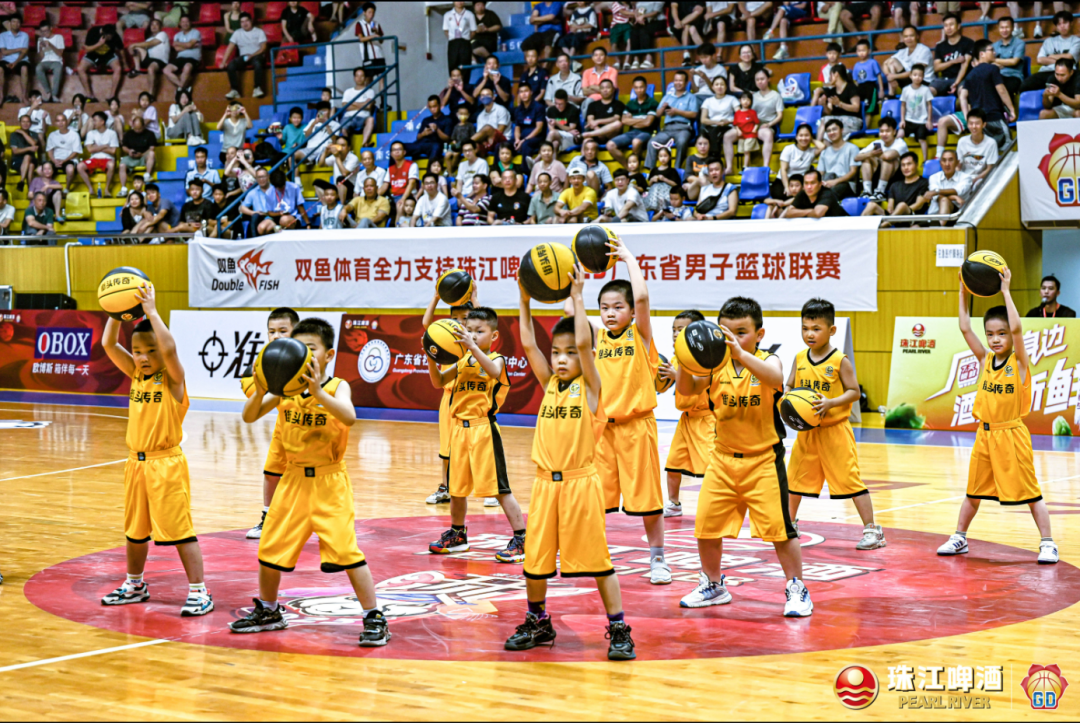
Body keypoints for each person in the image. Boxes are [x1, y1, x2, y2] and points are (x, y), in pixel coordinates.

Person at [232, 318, 391, 645]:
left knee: (346, 552)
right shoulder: (285, 390)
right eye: (299, 348)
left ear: (328, 355)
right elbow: (249, 416)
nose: (304, 355)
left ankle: (374, 616)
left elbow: (349, 416)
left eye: (311, 349)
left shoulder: (336, 387)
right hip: (292, 480)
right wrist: (261, 389)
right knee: (269, 549)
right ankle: (269, 610)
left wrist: (318, 392)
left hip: (328, 482)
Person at [511, 265, 635, 659]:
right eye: (556, 353)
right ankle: (538, 621)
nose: (561, 359)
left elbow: (585, 344)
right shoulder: (550, 383)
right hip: (544, 485)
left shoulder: (593, 387)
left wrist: (579, 298)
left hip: (581, 484)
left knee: (598, 562)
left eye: (569, 353)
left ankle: (619, 628)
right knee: (535, 562)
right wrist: (524, 300)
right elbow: (528, 343)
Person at [675, 297, 812, 616]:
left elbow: (775, 379)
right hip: (722, 459)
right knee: (706, 527)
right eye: (727, 332)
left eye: (742, 332)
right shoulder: (714, 366)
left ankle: (797, 588)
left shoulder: (768, 359)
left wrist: (739, 353)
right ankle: (713, 584)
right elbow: (687, 389)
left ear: (759, 334)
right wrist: (685, 359)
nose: (733, 339)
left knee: (781, 531)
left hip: (763, 461)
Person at [98, 288, 215, 617]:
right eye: (138, 351)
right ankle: (135, 584)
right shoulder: (136, 375)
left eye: (151, 351)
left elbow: (170, 349)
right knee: (135, 532)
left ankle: (199, 591)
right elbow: (109, 344)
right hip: (135, 464)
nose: (143, 357)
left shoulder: (173, 380)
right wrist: (115, 313)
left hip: (166, 465)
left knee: (180, 531)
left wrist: (151, 312)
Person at [937, 274, 1058, 564]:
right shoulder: (984, 360)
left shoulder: (1019, 363)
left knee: (1031, 493)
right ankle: (960, 537)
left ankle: (1048, 543)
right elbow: (965, 327)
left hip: (1012, 435)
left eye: (1001, 334)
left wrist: (1005, 290)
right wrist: (963, 291)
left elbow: (1017, 327)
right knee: (973, 492)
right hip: (985, 435)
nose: (995, 339)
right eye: (990, 334)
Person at [426, 305, 529, 562]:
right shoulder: (461, 361)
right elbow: (438, 382)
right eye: (468, 330)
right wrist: (431, 355)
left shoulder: (497, 359)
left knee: (499, 489)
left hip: (484, 430)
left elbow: (493, 372)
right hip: (459, 430)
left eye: (479, 331)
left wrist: (472, 347)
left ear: (494, 336)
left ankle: (522, 538)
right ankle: (458, 535)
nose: (472, 335)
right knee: (456, 488)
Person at [786, 298, 884, 548]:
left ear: (831, 330)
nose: (809, 334)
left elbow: (854, 392)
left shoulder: (840, 360)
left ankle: (872, 530)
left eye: (816, 329)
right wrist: (787, 399)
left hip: (835, 432)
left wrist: (831, 403)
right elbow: (789, 385)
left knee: (850, 481)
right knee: (793, 480)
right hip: (807, 433)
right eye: (805, 328)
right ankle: (788, 524)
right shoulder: (800, 358)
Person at [420, 293, 477, 505]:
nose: (460, 322)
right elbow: (427, 325)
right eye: (456, 318)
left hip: (470, 398)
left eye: (465, 318)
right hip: (449, 397)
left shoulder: (475, 340)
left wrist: (475, 297)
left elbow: (485, 320)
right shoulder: (445, 336)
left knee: (477, 447)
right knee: (446, 447)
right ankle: (445, 487)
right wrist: (436, 298)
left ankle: (491, 490)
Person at [658, 311, 712, 516]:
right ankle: (674, 503)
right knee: (673, 464)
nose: (675, 334)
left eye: (681, 330)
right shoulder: (676, 358)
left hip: (707, 419)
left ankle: (715, 503)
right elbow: (666, 385)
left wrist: (676, 375)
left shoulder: (707, 357)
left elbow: (696, 383)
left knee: (711, 467)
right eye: (674, 330)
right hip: (686, 420)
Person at [645, 70, 701, 169]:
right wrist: (663, 107)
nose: (678, 83)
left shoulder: (691, 97)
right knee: (652, 142)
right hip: (667, 129)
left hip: (683, 128)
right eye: (676, 80)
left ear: (686, 82)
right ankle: (651, 170)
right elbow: (657, 114)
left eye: (680, 80)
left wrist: (676, 111)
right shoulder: (667, 97)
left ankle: (676, 169)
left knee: (682, 142)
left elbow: (694, 114)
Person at [1022, 11, 1080, 93]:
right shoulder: (1048, 41)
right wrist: (1062, 62)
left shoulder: (1076, 41)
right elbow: (1040, 60)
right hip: (1046, 71)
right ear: (1056, 26)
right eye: (1059, 24)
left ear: (1071, 23)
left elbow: (1069, 56)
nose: (1062, 26)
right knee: (1024, 85)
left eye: (1065, 23)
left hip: (1066, 74)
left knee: (1053, 81)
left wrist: (1050, 56)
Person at [607, 76, 659, 166]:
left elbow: (648, 123)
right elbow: (624, 120)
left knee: (636, 142)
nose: (639, 90)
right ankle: (628, 168)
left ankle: (636, 168)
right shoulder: (630, 103)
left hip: (647, 132)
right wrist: (642, 120)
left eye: (641, 87)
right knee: (610, 145)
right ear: (633, 88)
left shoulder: (652, 102)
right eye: (636, 88)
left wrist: (632, 120)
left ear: (646, 87)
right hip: (631, 132)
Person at [863, 151, 929, 219]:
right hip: (894, 216)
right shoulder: (895, 185)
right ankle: (858, 226)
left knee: (902, 205)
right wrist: (892, 211)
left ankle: (884, 224)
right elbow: (890, 207)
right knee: (871, 205)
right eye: (903, 165)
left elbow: (918, 205)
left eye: (909, 164)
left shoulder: (924, 182)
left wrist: (901, 210)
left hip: (912, 217)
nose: (906, 167)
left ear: (916, 165)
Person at [855, 116, 907, 202]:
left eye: (887, 131)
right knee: (866, 159)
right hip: (878, 177)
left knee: (887, 160)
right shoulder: (877, 142)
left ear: (894, 132)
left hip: (896, 179)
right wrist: (870, 154)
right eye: (882, 131)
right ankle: (867, 191)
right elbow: (856, 157)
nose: (884, 134)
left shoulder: (900, 143)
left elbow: (887, 156)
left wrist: (873, 154)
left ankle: (880, 192)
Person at [222, 13, 268, 99]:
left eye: (247, 21)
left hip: (257, 55)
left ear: (251, 21)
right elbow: (230, 48)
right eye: (242, 22)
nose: (245, 23)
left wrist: (252, 55)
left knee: (258, 63)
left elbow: (263, 48)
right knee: (231, 65)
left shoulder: (259, 32)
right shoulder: (237, 33)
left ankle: (257, 88)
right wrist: (223, 62)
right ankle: (234, 90)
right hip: (244, 57)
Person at [78, 24, 126, 103]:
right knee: (80, 69)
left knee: (118, 68)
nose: (111, 38)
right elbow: (87, 49)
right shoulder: (93, 32)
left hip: (108, 55)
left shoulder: (114, 35)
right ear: (103, 34)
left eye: (112, 35)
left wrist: (124, 62)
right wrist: (99, 44)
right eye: (109, 36)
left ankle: (112, 96)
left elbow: (121, 49)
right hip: (93, 54)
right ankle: (90, 96)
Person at [814, 119, 859, 201]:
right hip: (828, 182)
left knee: (830, 192)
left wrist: (835, 181)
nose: (831, 132)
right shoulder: (824, 152)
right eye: (828, 131)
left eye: (834, 129)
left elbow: (853, 172)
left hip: (846, 184)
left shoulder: (852, 148)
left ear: (842, 130)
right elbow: (820, 173)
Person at [955, 109, 999, 191]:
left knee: (979, 187)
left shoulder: (991, 143)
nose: (974, 126)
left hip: (981, 179)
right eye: (971, 123)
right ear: (967, 124)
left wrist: (975, 179)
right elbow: (958, 166)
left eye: (977, 123)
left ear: (984, 124)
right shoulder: (962, 141)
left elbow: (990, 168)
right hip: (964, 178)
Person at [885, 26, 935, 97]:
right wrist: (890, 78)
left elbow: (917, 71)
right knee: (891, 62)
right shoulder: (903, 51)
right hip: (910, 80)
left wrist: (894, 76)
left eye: (911, 36)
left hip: (923, 82)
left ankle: (891, 95)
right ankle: (891, 94)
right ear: (903, 38)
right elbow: (885, 64)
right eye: (906, 36)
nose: (908, 39)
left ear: (917, 36)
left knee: (893, 65)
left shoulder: (924, 50)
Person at [931, 13, 974, 97]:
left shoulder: (968, 43)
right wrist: (954, 61)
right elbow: (936, 68)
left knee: (963, 92)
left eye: (951, 25)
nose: (948, 28)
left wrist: (956, 83)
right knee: (928, 92)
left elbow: (964, 65)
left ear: (958, 26)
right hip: (944, 79)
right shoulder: (940, 46)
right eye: (946, 25)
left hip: (963, 79)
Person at [78, 111, 119, 198]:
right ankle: (90, 189)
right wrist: (104, 146)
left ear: (102, 122)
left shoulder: (112, 133)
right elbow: (90, 150)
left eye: (95, 120)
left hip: (107, 158)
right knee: (79, 166)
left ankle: (107, 190)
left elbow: (113, 151)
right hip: (94, 158)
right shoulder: (91, 133)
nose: (93, 123)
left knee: (112, 165)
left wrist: (96, 147)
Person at [815, 65, 862, 142]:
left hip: (851, 120)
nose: (829, 78)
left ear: (836, 74)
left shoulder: (851, 88)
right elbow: (829, 111)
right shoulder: (832, 91)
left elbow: (856, 108)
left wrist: (840, 104)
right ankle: (818, 144)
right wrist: (823, 104)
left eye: (830, 75)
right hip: (836, 121)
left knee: (831, 134)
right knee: (823, 121)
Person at [923, 149, 971, 222]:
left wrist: (936, 192)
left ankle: (939, 228)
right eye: (944, 160)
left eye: (951, 160)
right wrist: (954, 197)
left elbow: (958, 191)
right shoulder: (933, 177)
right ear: (940, 163)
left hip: (957, 218)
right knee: (914, 227)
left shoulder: (966, 177)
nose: (947, 164)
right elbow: (936, 196)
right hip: (934, 217)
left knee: (944, 200)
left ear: (957, 162)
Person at [898, 64, 933, 160]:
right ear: (910, 75)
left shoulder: (926, 89)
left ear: (923, 77)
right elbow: (903, 105)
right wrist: (902, 120)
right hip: (908, 120)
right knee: (899, 135)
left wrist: (929, 120)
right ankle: (899, 159)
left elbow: (929, 105)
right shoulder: (905, 89)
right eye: (915, 75)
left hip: (922, 121)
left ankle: (925, 160)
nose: (917, 77)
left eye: (920, 75)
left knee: (922, 139)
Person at [129, 17, 170, 99]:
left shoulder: (163, 34)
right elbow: (143, 47)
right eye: (152, 25)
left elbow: (151, 43)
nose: (154, 26)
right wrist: (132, 49)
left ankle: (151, 95)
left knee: (151, 68)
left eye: (156, 24)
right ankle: (137, 69)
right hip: (149, 59)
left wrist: (133, 45)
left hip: (160, 60)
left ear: (160, 27)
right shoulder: (148, 39)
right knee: (136, 48)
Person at [700, 76, 738, 161]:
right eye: (716, 84)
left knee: (716, 133)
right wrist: (717, 122)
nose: (719, 87)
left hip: (727, 126)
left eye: (722, 84)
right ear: (712, 87)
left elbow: (740, 116)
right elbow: (703, 119)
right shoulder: (708, 101)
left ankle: (714, 159)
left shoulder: (732, 99)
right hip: (712, 126)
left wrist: (728, 121)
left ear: (726, 87)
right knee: (707, 132)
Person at [783, 168, 848, 218]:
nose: (809, 187)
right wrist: (810, 211)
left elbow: (818, 213)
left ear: (820, 184)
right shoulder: (802, 193)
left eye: (812, 183)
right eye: (806, 183)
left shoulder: (827, 193)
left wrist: (799, 213)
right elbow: (788, 213)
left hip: (841, 226)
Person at [119, 116, 157, 196]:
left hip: (144, 157)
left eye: (139, 129)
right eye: (135, 128)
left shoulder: (150, 134)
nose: (137, 131)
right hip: (131, 157)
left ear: (143, 126)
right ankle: (123, 189)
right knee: (122, 165)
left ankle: (147, 175)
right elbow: (124, 147)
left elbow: (152, 148)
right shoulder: (128, 134)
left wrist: (142, 154)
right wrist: (129, 151)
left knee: (151, 153)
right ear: (133, 126)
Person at [581, 79, 625, 145]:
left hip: (611, 135)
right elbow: (590, 120)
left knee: (618, 124)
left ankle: (592, 134)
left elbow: (616, 118)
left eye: (608, 87)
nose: (605, 90)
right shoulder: (592, 105)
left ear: (613, 89)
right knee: (586, 142)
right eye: (602, 88)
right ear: (600, 90)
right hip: (595, 133)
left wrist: (598, 121)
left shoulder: (619, 104)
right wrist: (599, 132)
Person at [164, 14, 201, 91]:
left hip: (193, 58)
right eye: (183, 22)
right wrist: (190, 46)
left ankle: (180, 89)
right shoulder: (177, 35)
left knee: (187, 67)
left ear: (190, 22)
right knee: (166, 70)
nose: (185, 23)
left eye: (187, 21)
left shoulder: (196, 32)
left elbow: (189, 44)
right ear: (180, 23)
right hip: (180, 58)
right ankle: (181, 86)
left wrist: (179, 43)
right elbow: (177, 49)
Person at [48, 114, 83, 193]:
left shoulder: (74, 134)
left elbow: (76, 152)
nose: (61, 123)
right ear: (55, 123)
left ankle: (66, 189)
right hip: (56, 159)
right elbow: (50, 151)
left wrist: (64, 160)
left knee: (70, 169)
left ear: (67, 122)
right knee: (40, 170)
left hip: (69, 159)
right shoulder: (52, 135)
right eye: (58, 121)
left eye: (63, 120)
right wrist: (54, 161)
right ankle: (48, 188)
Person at [992, 15, 1026, 97]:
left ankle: (1008, 106)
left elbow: (1014, 62)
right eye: (1002, 27)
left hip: (1013, 76)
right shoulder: (994, 45)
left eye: (1007, 27)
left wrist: (994, 60)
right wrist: (997, 62)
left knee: (1003, 89)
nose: (1004, 30)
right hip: (997, 76)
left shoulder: (1019, 43)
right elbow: (988, 62)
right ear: (998, 28)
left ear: (1013, 28)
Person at [777, 123, 816, 192]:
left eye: (807, 135)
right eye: (801, 135)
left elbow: (822, 146)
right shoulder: (788, 149)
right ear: (796, 137)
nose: (803, 138)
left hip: (801, 182)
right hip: (784, 180)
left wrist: (811, 139)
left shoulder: (812, 151)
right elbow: (783, 170)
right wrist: (787, 187)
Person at [0, 13, 29, 105]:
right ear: (9, 23)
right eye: (13, 21)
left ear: (20, 24)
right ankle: (0, 95)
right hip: (7, 59)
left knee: (24, 68)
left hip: (21, 60)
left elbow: (24, 52)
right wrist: (19, 49)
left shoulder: (25, 35)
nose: (16, 24)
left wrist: (15, 63)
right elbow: (4, 52)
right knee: (0, 69)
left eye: (18, 22)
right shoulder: (2, 35)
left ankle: (24, 96)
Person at [472, 87, 510, 155]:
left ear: (493, 97)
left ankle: (465, 143)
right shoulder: (480, 116)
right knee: (474, 147)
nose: (485, 97)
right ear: (480, 99)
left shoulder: (501, 110)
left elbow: (500, 131)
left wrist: (488, 134)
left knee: (487, 128)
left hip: (502, 140)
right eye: (483, 95)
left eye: (488, 95)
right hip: (487, 142)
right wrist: (484, 142)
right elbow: (480, 134)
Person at [34, 20, 65, 104]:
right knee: (38, 68)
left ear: (51, 28)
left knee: (58, 68)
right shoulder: (40, 40)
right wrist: (40, 48)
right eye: (42, 31)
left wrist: (50, 45)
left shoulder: (59, 37)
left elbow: (60, 54)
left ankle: (54, 95)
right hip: (45, 61)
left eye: (46, 31)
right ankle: (48, 92)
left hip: (56, 60)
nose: (44, 33)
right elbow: (41, 57)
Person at [512, 84, 546, 159]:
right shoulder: (518, 110)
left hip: (536, 138)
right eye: (521, 92)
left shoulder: (539, 107)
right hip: (522, 138)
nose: (524, 94)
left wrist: (524, 140)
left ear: (531, 92)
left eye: (526, 91)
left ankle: (526, 167)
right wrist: (517, 139)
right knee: (501, 145)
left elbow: (539, 128)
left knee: (525, 145)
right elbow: (517, 127)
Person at [629, 1, 666, 69]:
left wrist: (643, 16)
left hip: (658, 21)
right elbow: (637, 9)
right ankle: (636, 59)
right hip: (644, 21)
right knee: (633, 31)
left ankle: (649, 60)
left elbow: (656, 12)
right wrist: (637, 18)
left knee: (645, 30)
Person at [545, 88, 581, 156]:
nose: (558, 106)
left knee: (553, 135)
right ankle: (551, 162)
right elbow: (551, 130)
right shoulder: (551, 110)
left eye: (561, 104)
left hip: (571, 137)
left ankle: (539, 158)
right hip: (557, 136)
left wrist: (557, 123)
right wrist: (567, 131)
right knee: (555, 143)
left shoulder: (573, 109)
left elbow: (572, 128)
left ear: (566, 101)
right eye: (556, 103)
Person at [580, 47, 618, 111]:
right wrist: (603, 89)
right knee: (587, 102)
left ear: (606, 57)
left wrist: (592, 87)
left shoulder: (612, 71)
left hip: (607, 100)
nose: (598, 57)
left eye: (601, 55)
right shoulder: (586, 72)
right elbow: (584, 91)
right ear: (592, 58)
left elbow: (611, 90)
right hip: (591, 101)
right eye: (596, 55)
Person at [852, 40, 885, 113]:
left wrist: (881, 90)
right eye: (859, 51)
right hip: (860, 88)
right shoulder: (856, 65)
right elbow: (855, 81)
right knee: (861, 109)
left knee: (869, 110)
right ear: (856, 52)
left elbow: (879, 76)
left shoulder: (873, 62)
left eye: (863, 50)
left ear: (869, 51)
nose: (861, 53)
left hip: (871, 88)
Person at [644, 145, 681, 210]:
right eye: (661, 156)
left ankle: (662, 209)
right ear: (658, 157)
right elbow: (649, 185)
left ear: (669, 157)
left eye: (665, 156)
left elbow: (676, 184)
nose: (663, 158)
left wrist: (665, 179)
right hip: (654, 194)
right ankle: (655, 209)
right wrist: (652, 179)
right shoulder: (654, 170)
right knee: (655, 187)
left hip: (666, 194)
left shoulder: (672, 170)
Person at [355, 2, 386, 74]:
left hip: (379, 55)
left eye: (373, 12)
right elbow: (361, 39)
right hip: (368, 56)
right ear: (364, 13)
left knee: (382, 76)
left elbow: (381, 41)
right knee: (369, 77)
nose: (371, 14)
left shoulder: (376, 24)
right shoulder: (359, 24)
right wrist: (373, 36)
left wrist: (377, 32)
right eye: (369, 12)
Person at [8, 114, 35, 192]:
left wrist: (23, 133)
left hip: (32, 159)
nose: (25, 124)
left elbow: (33, 143)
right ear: (20, 123)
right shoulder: (14, 135)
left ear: (31, 124)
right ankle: (31, 192)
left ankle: (22, 181)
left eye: (27, 122)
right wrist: (29, 148)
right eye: (23, 122)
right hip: (17, 160)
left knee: (28, 157)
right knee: (31, 166)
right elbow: (15, 151)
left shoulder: (34, 134)